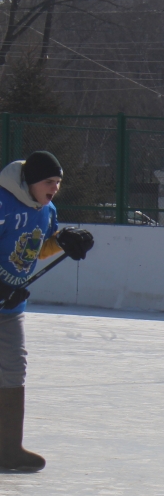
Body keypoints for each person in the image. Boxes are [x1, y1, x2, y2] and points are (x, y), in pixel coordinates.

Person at [0, 151, 93, 472]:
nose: (54, 187)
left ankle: (8, 448)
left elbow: (37, 250)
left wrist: (63, 241)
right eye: (48, 181)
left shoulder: (47, 210)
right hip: (5, 295)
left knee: (13, 368)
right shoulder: (2, 204)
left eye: (58, 182)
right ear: (30, 181)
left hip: (10, 305)